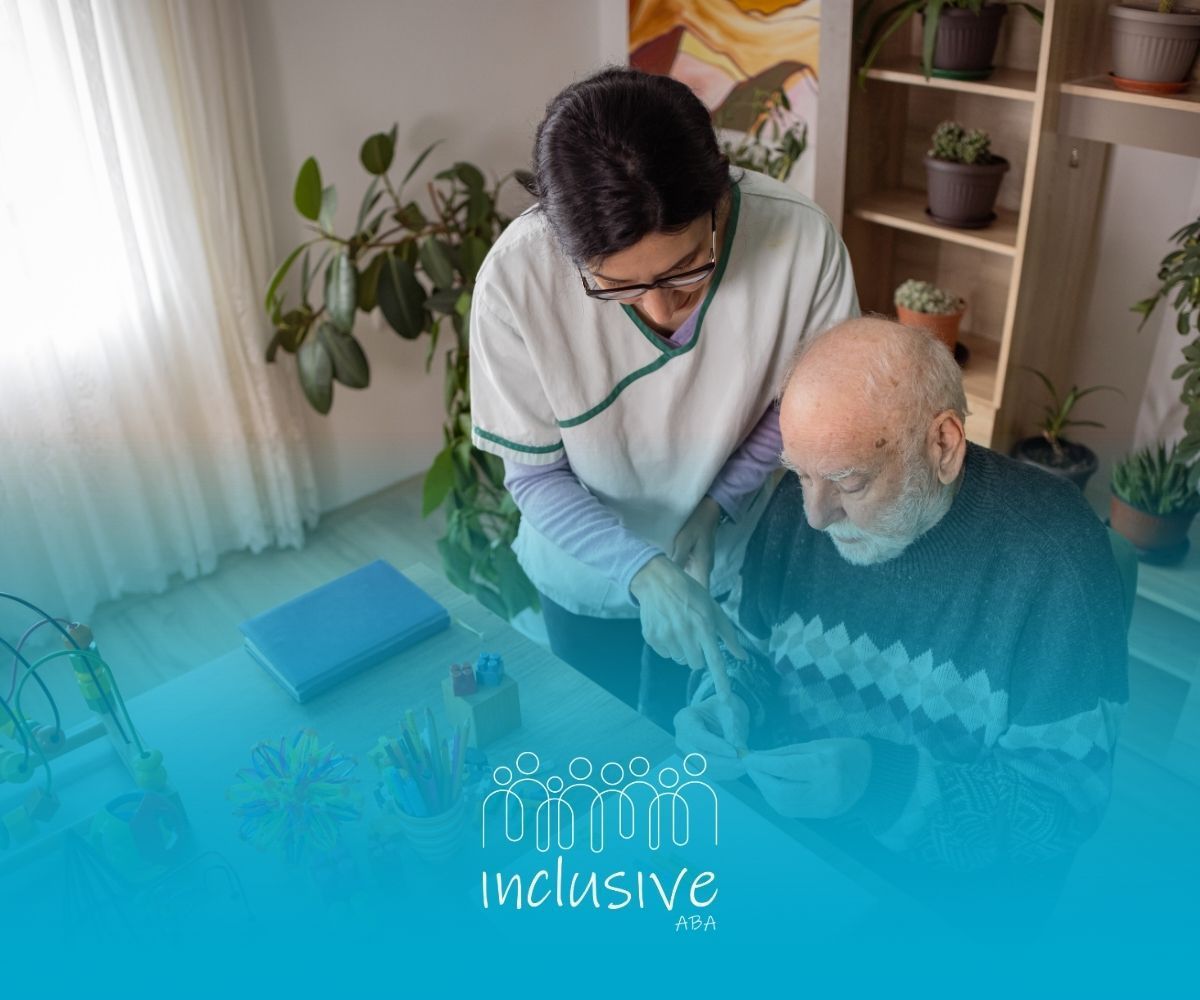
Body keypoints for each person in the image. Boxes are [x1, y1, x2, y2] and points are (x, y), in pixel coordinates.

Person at [676, 317, 1129, 903]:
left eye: (851, 482)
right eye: (799, 474)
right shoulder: (802, 504)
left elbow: (1064, 808)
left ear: (943, 445)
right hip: (792, 855)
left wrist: (880, 785)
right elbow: (749, 654)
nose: (816, 515)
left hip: (940, 902)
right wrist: (726, 700)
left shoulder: (1056, 560)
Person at [468, 68, 858, 725]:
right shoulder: (516, 280)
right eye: (617, 287)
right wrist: (642, 570)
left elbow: (796, 403)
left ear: (722, 201)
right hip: (583, 573)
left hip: (728, 557)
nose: (656, 308)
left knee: (713, 743)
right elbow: (534, 478)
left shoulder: (801, 243)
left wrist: (717, 505)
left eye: (685, 274)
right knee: (607, 745)